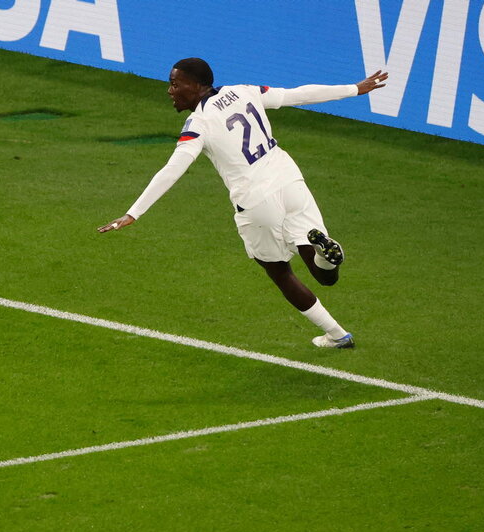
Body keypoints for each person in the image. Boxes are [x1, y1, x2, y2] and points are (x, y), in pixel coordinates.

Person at [98, 57, 389, 348]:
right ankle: (326, 255)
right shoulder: (244, 90)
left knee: (280, 272)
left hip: (255, 199)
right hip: (289, 179)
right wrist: (355, 88)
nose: (170, 91)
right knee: (322, 273)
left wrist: (133, 212)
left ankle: (338, 335)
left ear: (198, 85)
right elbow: (296, 94)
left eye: (175, 84)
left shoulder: (198, 123)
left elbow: (173, 169)